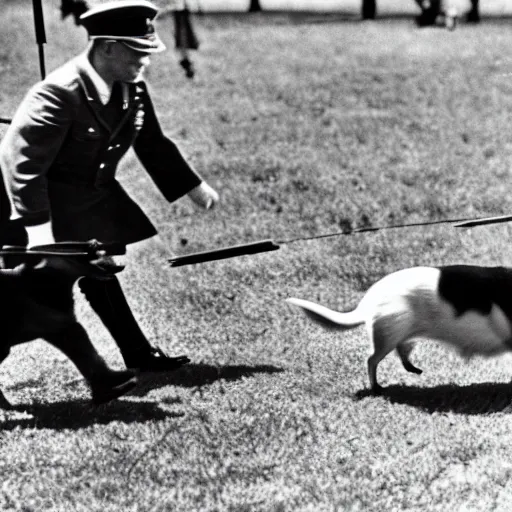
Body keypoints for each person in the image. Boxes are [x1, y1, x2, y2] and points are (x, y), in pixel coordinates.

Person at [0, 0, 219, 374]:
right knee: (17, 296)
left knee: (97, 273)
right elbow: (22, 164)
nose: (145, 61)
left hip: (86, 197)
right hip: (32, 203)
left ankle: (135, 353)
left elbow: (152, 143)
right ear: (107, 46)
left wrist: (194, 188)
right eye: (138, 52)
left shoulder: (131, 87)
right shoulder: (58, 93)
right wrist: (38, 231)